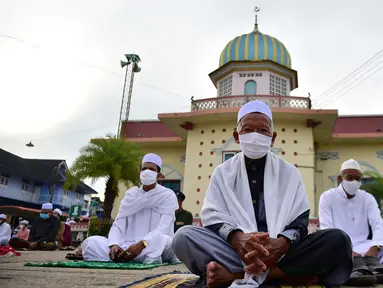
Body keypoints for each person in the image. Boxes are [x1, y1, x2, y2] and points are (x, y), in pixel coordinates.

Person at [172, 100, 353, 287]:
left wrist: (280, 245)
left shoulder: (289, 172)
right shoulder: (222, 172)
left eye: (263, 131)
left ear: (273, 137)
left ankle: (234, 276)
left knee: (337, 239)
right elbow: (212, 215)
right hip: (235, 251)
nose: (255, 136)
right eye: (248, 130)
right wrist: (239, 239)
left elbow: (299, 220)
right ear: (237, 135)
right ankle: (282, 275)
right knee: (183, 237)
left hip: (281, 254)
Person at [82, 153, 179, 264]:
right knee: (91, 242)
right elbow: (119, 223)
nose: (147, 172)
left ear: (159, 175)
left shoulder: (167, 195)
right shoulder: (131, 195)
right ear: (139, 173)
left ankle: (132, 257)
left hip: (151, 244)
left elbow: (163, 227)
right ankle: (121, 255)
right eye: (144, 169)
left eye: (151, 169)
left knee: (163, 241)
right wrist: (114, 245)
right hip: (127, 246)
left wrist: (142, 244)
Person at [319, 159, 383, 285]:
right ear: (340, 178)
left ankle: (369, 269)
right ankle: (358, 269)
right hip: (341, 246)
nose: (354, 181)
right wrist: (348, 251)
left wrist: (375, 246)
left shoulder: (367, 198)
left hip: (366, 247)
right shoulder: (327, 197)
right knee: (327, 250)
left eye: (357, 178)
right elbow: (327, 229)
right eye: (349, 177)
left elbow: (378, 224)